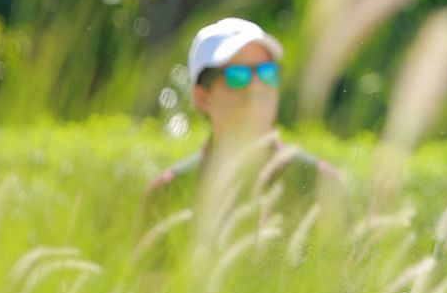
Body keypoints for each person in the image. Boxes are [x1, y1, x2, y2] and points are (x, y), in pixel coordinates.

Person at [141, 17, 345, 252]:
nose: (257, 86)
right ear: (202, 96)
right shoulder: (167, 195)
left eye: (267, 72)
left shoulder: (322, 186)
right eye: (237, 76)